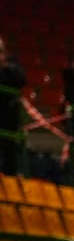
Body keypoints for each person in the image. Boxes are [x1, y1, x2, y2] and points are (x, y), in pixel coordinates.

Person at [0, 36, 23, 176]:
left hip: (8, 116)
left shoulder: (12, 66)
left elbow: (20, 80)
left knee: (9, 150)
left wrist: (5, 67)